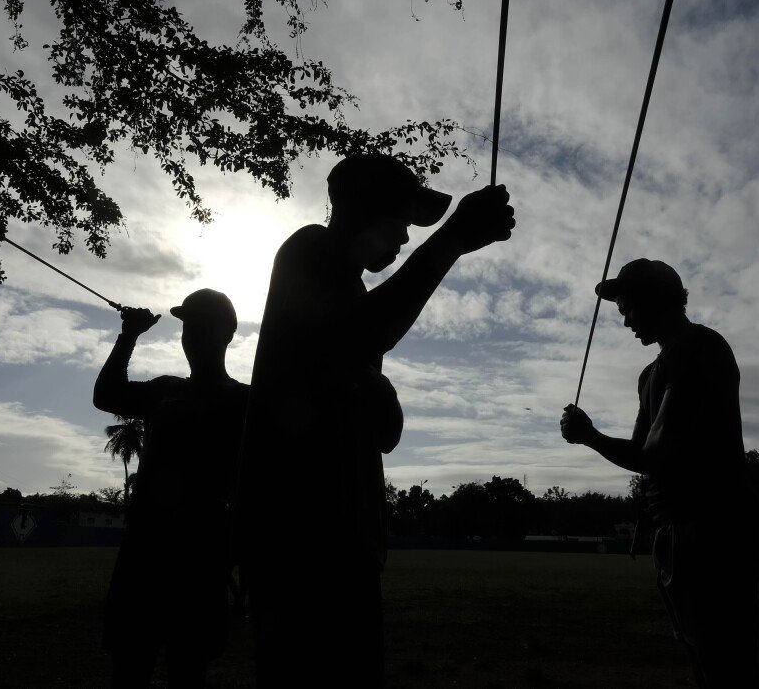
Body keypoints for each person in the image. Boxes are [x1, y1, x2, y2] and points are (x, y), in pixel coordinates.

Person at [238, 153, 515, 686]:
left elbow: (381, 429)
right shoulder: (309, 249)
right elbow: (361, 336)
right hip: (302, 539)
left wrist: (377, 392)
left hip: (339, 538)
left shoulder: (348, 291)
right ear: (365, 211)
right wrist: (452, 239)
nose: (406, 237)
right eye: (402, 221)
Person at [560, 258, 759, 688]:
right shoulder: (649, 374)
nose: (625, 321)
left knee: (726, 661)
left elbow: (655, 454)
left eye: (629, 309)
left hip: (715, 529)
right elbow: (642, 451)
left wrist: (590, 436)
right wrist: (591, 438)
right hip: (676, 532)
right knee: (701, 655)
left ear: (657, 300)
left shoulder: (700, 347)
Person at [94, 289, 251, 688]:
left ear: (228, 334)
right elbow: (106, 395)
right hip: (144, 552)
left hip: (201, 556)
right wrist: (129, 335)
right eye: (187, 327)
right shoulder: (165, 388)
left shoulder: (244, 402)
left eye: (202, 326)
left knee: (188, 669)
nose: (191, 336)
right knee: (130, 667)